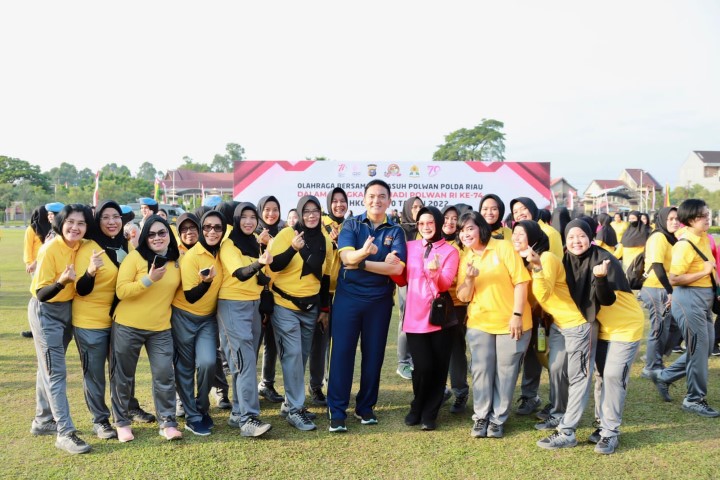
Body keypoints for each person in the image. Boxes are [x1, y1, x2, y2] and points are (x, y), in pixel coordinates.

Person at [327, 179, 407, 432]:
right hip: (348, 299)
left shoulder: (396, 231)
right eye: (372, 196)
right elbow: (346, 257)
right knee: (342, 354)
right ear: (363, 199)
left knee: (374, 356)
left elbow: (397, 268)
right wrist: (362, 253)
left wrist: (360, 263)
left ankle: (365, 407)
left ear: (389, 200)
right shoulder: (351, 224)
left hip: (379, 301)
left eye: (382, 196)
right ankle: (337, 411)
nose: (376, 201)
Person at [563, 218, 643, 454]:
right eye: (571, 237)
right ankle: (601, 424)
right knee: (600, 376)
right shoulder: (567, 260)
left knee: (613, 376)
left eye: (581, 236)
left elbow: (607, 299)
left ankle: (610, 432)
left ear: (590, 237)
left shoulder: (605, 259)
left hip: (625, 326)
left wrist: (599, 278)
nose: (576, 241)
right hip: (600, 327)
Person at [512, 220, 593, 450]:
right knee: (556, 368)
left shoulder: (545, 258)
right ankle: (558, 413)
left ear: (533, 238)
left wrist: (537, 267)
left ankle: (568, 429)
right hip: (558, 323)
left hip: (576, 323)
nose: (515, 237)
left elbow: (544, 293)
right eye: (514, 233)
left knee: (577, 377)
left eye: (521, 234)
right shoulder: (521, 262)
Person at [456, 211, 531, 439]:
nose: (465, 234)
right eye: (462, 230)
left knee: (506, 372)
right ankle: (481, 416)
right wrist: (469, 278)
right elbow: (463, 296)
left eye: (470, 228)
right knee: (481, 370)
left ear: (481, 228)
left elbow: (521, 282)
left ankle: (498, 419)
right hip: (480, 322)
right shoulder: (466, 257)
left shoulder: (503, 247)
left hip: (512, 322)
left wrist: (517, 314)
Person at [29, 204, 93, 454]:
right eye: (70, 222)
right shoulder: (50, 249)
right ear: (60, 223)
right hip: (46, 311)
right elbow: (41, 294)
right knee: (55, 372)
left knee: (46, 367)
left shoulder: (81, 246)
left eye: (81, 223)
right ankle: (65, 432)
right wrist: (61, 282)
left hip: (68, 309)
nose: (75, 227)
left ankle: (43, 419)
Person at [111, 215, 182, 442]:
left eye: (162, 233)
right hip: (128, 326)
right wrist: (149, 279)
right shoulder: (135, 258)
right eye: (151, 234)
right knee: (123, 377)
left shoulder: (177, 260)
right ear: (144, 237)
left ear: (169, 235)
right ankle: (122, 422)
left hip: (160, 328)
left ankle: (167, 422)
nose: (157, 238)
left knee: (164, 375)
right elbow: (121, 291)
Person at [269, 196, 334, 431]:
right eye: (306, 211)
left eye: (315, 210)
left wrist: (324, 309)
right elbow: (273, 265)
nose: (311, 215)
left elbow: (325, 277)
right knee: (293, 356)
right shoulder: (286, 234)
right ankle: (295, 410)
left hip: (311, 308)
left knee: (301, 357)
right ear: (299, 213)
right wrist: (292, 249)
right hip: (284, 305)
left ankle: (290, 403)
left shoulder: (325, 240)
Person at [650, 199, 720, 418]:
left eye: (708, 214)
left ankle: (664, 376)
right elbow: (675, 278)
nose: (708, 218)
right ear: (690, 219)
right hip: (689, 299)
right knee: (699, 350)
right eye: (703, 216)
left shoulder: (703, 238)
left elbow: (710, 268)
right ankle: (693, 399)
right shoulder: (685, 244)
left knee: (703, 349)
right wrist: (704, 272)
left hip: (704, 299)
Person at [73, 201, 130, 440]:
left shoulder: (125, 244)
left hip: (119, 320)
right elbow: (81, 288)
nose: (111, 222)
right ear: (98, 221)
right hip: (90, 322)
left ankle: (123, 415)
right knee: (95, 374)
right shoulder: (88, 246)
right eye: (105, 217)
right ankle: (100, 420)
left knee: (120, 371)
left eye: (116, 216)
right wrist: (90, 271)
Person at [217, 203, 273, 437]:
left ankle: (238, 411)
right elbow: (240, 273)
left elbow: (258, 277)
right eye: (244, 217)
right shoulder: (228, 244)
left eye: (253, 217)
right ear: (236, 219)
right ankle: (248, 419)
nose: (249, 221)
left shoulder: (254, 243)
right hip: (232, 304)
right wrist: (260, 263)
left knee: (243, 362)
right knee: (245, 361)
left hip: (253, 305)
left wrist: (262, 268)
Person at [402, 206, 460, 430]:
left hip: (439, 317)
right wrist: (394, 267)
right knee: (422, 367)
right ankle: (417, 405)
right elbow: (402, 278)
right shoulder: (410, 246)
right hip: (414, 316)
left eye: (430, 222)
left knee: (439, 367)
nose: (425, 227)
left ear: (438, 223)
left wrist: (435, 273)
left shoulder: (450, 251)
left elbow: (444, 285)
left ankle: (429, 413)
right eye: (421, 223)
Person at [171, 210, 226, 436]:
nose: (212, 231)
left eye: (217, 227)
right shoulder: (191, 256)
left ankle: (202, 408)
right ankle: (192, 416)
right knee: (184, 368)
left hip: (207, 319)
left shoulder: (223, 251)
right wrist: (206, 282)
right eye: (207, 227)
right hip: (183, 316)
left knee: (208, 363)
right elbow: (191, 296)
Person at [510, 196, 560, 416]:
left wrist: (542, 306)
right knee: (528, 352)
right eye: (515, 211)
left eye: (523, 208)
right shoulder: (516, 237)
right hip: (522, 306)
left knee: (543, 354)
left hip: (542, 307)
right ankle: (529, 396)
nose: (519, 213)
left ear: (533, 209)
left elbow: (552, 269)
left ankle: (555, 401)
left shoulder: (549, 234)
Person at [309, 187, 348, 406]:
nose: (339, 205)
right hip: (320, 292)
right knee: (320, 342)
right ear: (328, 203)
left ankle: (335, 385)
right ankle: (316, 386)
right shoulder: (320, 224)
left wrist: (341, 243)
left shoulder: (350, 227)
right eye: (335, 201)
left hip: (344, 293)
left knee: (340, 343)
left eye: (343, 201)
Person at [639, 207, 679, 378]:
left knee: (675, 326)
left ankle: (653, 356)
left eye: (677, 218)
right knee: (659, 327)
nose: (675, 222)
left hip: (666, 287)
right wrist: (670, 291)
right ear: (662, 220)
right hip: (656, 287)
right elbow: (657, 265)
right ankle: (651, 366)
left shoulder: (671, 237)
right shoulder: (659, 237)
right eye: (670, 219)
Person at [256, 195, 287, 404]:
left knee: (272, 342)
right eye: (267, 209)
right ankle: (246, 389)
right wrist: (261, 243)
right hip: (255, 296)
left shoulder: (283, 233)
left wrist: (272, 243)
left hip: (277, 295)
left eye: (275, 209)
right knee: (252, 344)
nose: (271, 213)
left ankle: (266, 383)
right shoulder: (252, 232)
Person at [442, 205, 469, 413]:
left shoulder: (464, 246)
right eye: (446, 218)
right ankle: (440, 390)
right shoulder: (433, 242)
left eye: (454, 218)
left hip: (458, 305)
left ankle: (460, 392)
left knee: (456, 350)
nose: (450, 222)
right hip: (435, 304)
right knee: (436, 350)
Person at [396, 196, 424, 380]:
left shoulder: (426, 227)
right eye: (414, 207)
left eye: (420, 206)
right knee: (406, 319)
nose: (417, 210)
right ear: (407, 209)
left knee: (421, 321)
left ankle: (415, 359)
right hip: (406, 281)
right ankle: (403, 362)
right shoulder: (401, 230)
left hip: (424, 282)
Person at [22, 205, 52, 338]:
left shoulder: (51, 229)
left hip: (44, 266)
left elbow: (29, 248)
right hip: (38, 267)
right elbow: (28, 248)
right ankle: (36, 327)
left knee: (41, 297)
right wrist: (30, 263)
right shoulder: (35, 229)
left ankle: (39, 326)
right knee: (40, 297)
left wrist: (31, 263)